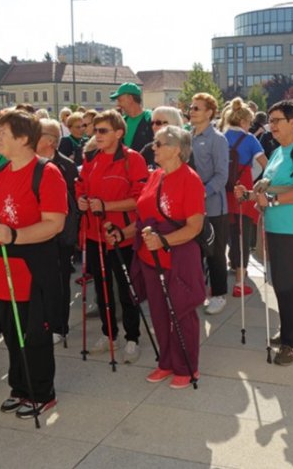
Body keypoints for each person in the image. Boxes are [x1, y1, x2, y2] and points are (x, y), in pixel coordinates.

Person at [0, 111, 67, 418]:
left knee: (34, 335)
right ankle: (20, 387)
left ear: (22, 138)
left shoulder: (47, 173)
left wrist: (15, 235)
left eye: (2, 132)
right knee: (10, 332)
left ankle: (41, 392)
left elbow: (55, 223)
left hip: (30, 269)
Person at [107, 125, 205, 388]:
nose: (154, 147)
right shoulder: (155, 176)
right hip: (149, 257)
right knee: (159, 314)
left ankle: (187, 366)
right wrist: (123, 234)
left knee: (182, 313)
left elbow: (195, 227)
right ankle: (166, 362)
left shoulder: (190, 179)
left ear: (175, 149)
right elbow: (142, 219)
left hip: (178, 257)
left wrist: (163, 240)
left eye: (159, 144)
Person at [235, 100, 293, 366]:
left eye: (277, 121)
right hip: (274, 227)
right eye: (270, 121)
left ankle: (291, 343)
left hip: (292, 228)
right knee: (283, 284)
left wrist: (271, 201)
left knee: (286, 284)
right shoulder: (278, 151)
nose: (271, 126)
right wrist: (249, 194)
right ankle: (292, 333)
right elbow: (269, 189)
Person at [77, 109, 149, 363]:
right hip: (94, 234)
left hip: (121, 236)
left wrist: (105, 205)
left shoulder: (133, 159)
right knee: (102, 288)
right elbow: (81, 186)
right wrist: (82, 200)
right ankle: (109, 335)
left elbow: (140, 199)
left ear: (119, 133)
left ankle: (132, 338)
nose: (97, 135)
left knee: (127, 290)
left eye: (103, 130)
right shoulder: (91, 158)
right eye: (95, 130)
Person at [37, 118, 79, 344]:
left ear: (51, 141)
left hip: (61, 237)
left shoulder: (66, 166)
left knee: (60, 282)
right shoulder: (29, 164)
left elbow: (72, 207)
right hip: (36, 234)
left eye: (38, 133)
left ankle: (59, 326)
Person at [222, 98, 268, 299]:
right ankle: (240, 281)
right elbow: (266, 164)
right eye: (249, 123)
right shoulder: (250, 139)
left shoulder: (220, 136)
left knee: (228, 232)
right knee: (243, 233)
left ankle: (226, 270)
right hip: (243, 189)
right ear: (243, 122)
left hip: (223, 190)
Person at [189, 93, 230, 314]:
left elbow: (221, 175)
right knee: (195, 253)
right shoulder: (187, 136)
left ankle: (219, 294)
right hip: (192, 208)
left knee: (215, 254)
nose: (192, 111)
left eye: (197, 108)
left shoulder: (218, 139)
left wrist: (201, 193)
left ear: (209, 112)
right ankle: (198, 292)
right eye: (191, 107)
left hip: (214, 207)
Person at [111, 83, 153, 153]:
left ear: (130, 98)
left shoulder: (150, 119)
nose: (118, 104)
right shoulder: (121, 122)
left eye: (120, 100)